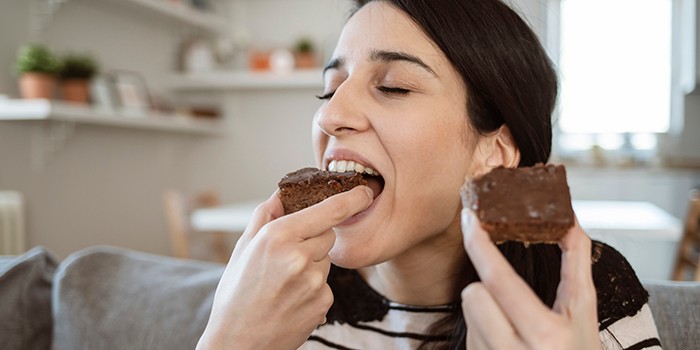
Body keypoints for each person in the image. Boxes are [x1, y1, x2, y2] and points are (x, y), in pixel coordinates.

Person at [197, 0, 662, 349]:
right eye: (329, 90)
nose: (331, 114)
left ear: (494, 152)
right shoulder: (278, 298)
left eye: (393, 86)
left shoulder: (582, 299)